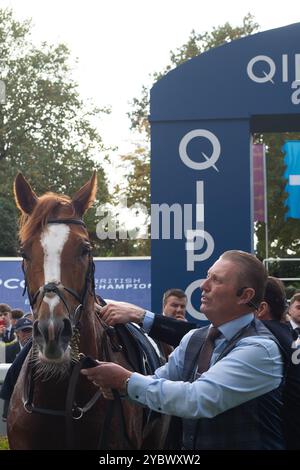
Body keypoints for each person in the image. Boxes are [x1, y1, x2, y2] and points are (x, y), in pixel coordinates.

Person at [82, 250, 285, 450]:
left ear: (245, 296)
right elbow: (158, 381)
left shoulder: (260, 349)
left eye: (216, 280)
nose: (203, 286)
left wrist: (125, 381)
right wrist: (120, 388)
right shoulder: (194, 339)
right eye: (207, 277)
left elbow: (197, 399)